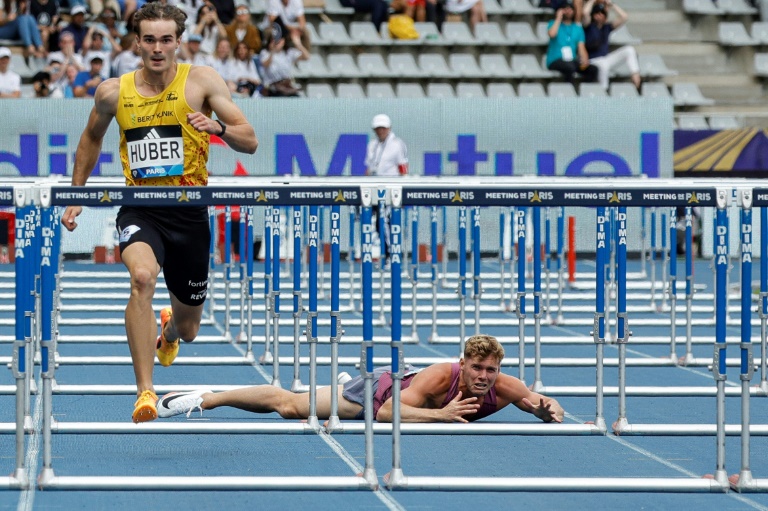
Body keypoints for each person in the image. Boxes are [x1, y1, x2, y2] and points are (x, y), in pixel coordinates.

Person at [59, 1, 258, 423]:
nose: (157, 48)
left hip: (189, 213)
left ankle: (168, 331)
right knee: (142, 277)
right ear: (137, 42)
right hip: (142, 208)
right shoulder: (114, 92)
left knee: (188, 330)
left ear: (177, 42)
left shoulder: (201, 81)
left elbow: (250, 139)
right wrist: (76, 193)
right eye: (149, 39)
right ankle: (145, 391)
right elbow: (90, 140)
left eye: (166, 39)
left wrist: (218, 128)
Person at [156, 334, 565, 424]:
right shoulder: (443, 376)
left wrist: (551, 410)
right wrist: (444, 416)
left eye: (490, 371)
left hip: (395, 400)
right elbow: (387, 411)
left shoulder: (506, 387)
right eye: (477, 368)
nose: (483, 377)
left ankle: (336, 384)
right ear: (464, 364)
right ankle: (206, 397)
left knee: (299, 407)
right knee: (290, 406)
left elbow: (540, 403)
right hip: (377, 391)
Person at [364, 113, 407, 260]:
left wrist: (401, 189)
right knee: (377, 223)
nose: (380, 131)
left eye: (383, 128)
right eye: (378, 128)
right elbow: (369, 168)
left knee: (388, 222)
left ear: (389, 128)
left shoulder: (397, 144)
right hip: (376, 188)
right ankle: (388, 252)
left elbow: (403, 167)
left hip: (391, 189)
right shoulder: (372, 145)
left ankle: (393, 254)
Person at [582, 0, 640, 91]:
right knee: (603, 65)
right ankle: (604, 90)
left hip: (606, 58)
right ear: (593, 15)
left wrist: (612, 5)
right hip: (593, 60)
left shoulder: (607, 27)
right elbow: (585, 13)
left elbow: (624, 17)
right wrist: (592, 1)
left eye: (602, 13)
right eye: (597, 13)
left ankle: (635, 75)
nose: (599, 15)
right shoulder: (588, 26)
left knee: (629, 49)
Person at [545, 0, 596, 85]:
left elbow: (581, 47)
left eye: (570, 9)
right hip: (555, 61)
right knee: (569, 67)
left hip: (572, 61)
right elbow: (552, 34)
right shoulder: (553, 23)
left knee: (592, 69)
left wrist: (585, 61)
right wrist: (558, 18)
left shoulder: (577, 28)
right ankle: (569, 91)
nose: (568, 11)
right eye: (565, 8)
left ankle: (585, 91)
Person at [258, 23, 307, 97]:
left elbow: (306, 57)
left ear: (284, 41)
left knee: (296, 97)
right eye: (274, 40)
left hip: (286, 85)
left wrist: (298, 44)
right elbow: (265, 64)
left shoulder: (289, 52)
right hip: (272, 87)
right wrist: (272, 51)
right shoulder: (265, 53)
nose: (277, 42)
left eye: (280, 40)